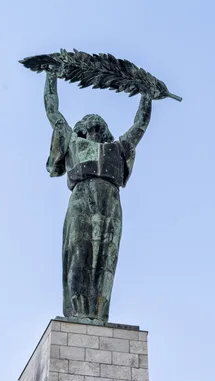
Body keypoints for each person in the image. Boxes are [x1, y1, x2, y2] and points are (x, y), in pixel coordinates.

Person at [43, 70, 153, 322]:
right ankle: (77, 311)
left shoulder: (117, 148)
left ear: (104, 131)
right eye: (89, 125)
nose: (94, 128)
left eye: (98, 126)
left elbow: (140, 126)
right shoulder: (73, 142)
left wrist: (147, 95)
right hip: (82, 197)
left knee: (104, 258)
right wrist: (51, 76)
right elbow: (54, 113)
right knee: (79, 254)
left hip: (110, 202)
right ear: (82, 129)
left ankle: (98, 313)